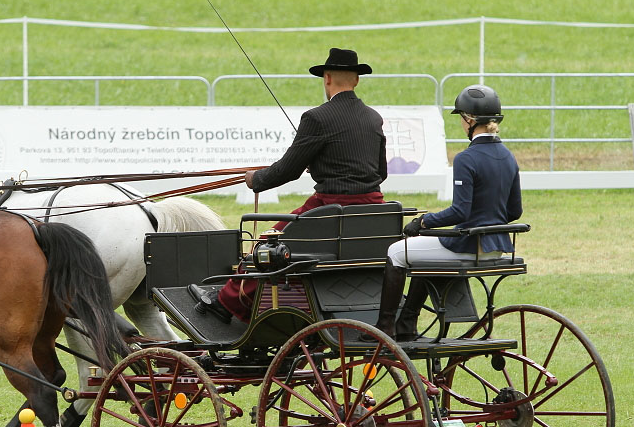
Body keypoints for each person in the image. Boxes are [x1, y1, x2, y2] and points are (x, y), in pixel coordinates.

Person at [189, 47, 387, 322]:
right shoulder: (373, 118)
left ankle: (227, 301)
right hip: (374, 211)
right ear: (356, 80)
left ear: (327, 78)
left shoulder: (316, 118)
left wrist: (255, 179)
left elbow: (287, 170)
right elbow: (380, 172)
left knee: (267, 247)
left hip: (329, 211)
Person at [373, 84, 523, 341]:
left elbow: (460, 212)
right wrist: (488, 224)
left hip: (468, 245)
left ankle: (384, 327)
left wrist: (423, 221)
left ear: (470, 120)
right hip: (497, 248)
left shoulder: (467, 158)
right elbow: (514, 211)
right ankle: (406, 322)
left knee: (397, 252)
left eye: (462, 119)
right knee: (420, 253)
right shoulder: (508, 157)